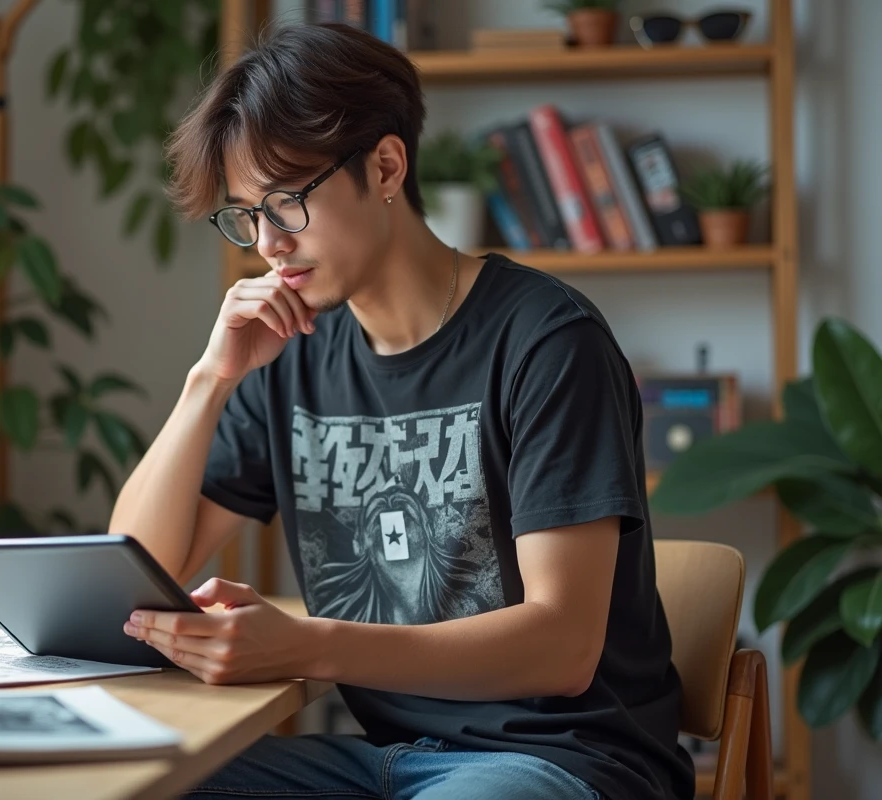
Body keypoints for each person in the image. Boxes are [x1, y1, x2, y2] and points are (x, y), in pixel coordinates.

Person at [108, 21, 695, 800]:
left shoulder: (547, 342)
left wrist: (308, 646)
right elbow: (137, 574)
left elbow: (562, 647)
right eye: (246, 215)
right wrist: (208, 381)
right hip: (379, 760)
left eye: (286, 203)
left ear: (385, 166)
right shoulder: (294, 358)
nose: (268, 246)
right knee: (136, 783)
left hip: (561, 758)